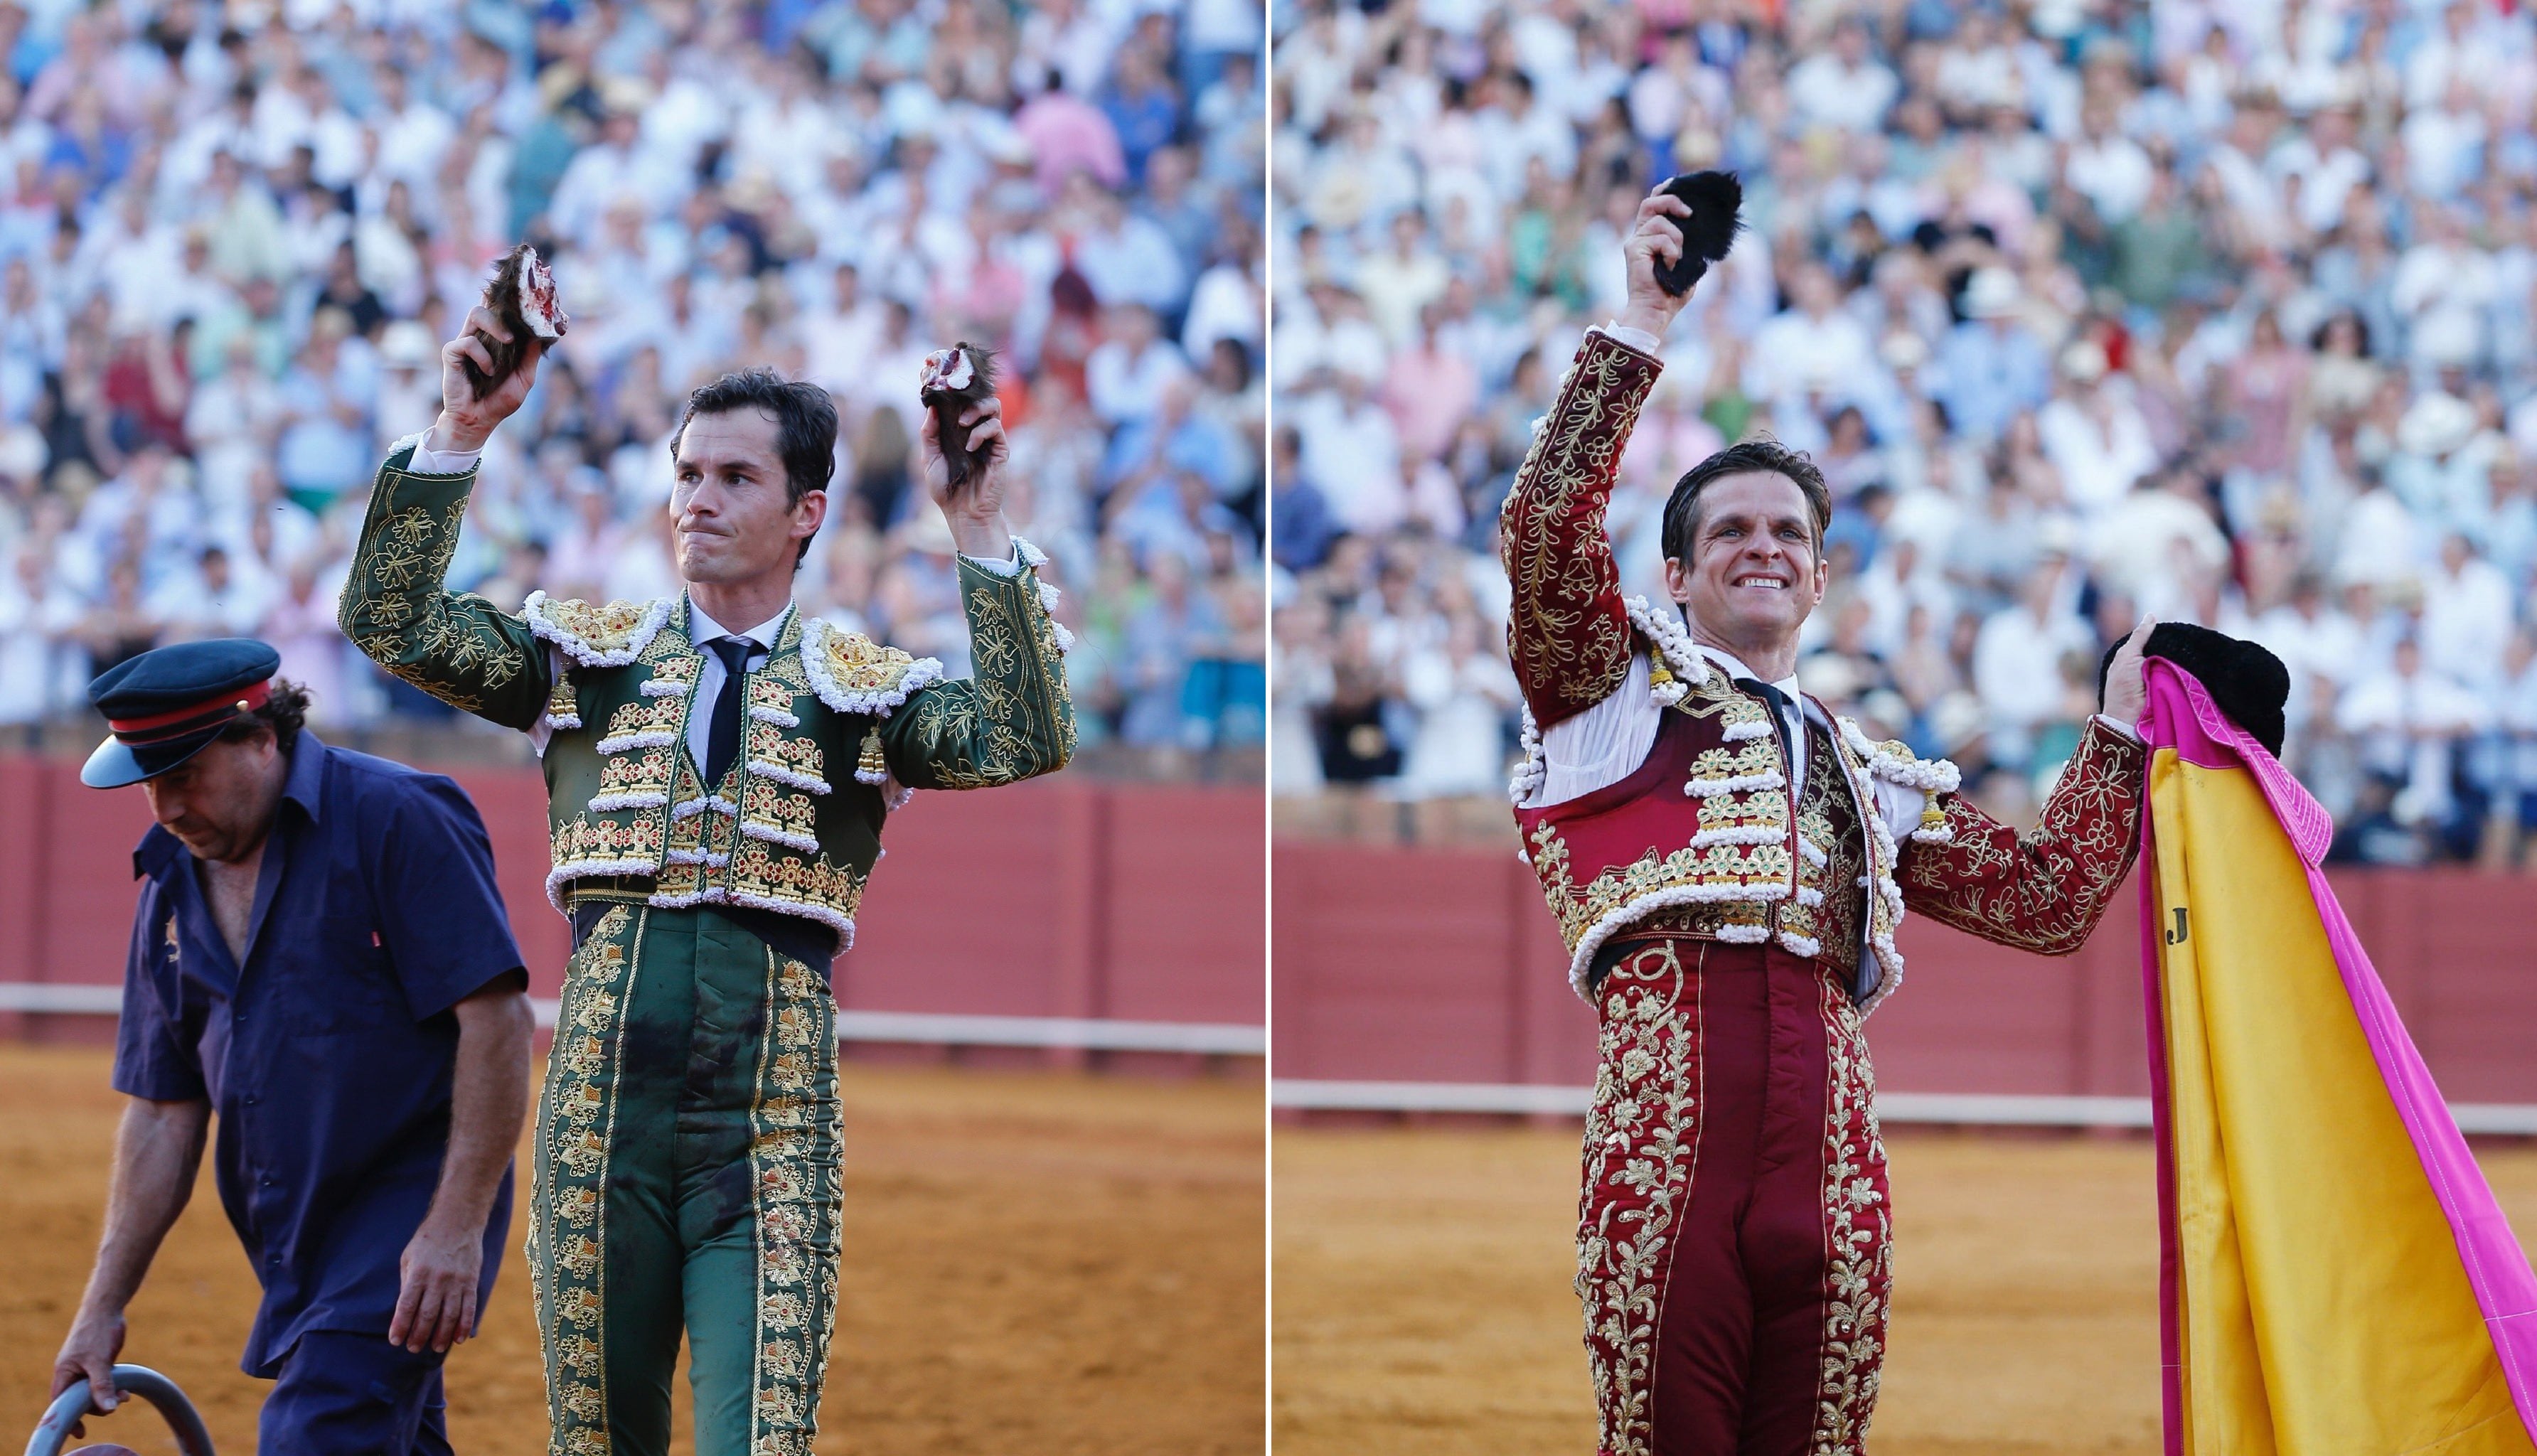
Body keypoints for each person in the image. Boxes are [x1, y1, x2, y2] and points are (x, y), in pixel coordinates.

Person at [336, 306, 1074, 1455]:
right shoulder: (585, 664)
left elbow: (1023, 734)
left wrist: (973, 520)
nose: (699, 498)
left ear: (805, 514)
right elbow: (387, 619)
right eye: (687, 472)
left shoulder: (860, 693)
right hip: (597, 1131)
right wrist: (460, 429)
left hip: (767, 1142)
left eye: (736, 476)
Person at [1501, 186, 2154, 1456]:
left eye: (1788, 532)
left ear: (1819, 569)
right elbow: (1541, 533)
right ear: (1675, 576)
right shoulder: (1607, 690)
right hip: (1667, 1131)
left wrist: (2119, 725)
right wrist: (1639, 321)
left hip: (1834, 1149)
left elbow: (2047, 899)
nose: (1764, 547)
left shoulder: (1869, 772)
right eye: (1728, 531)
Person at [48, 638, 534, 1455]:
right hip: (290, 1234)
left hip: (407, 1210)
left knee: (316, 1434)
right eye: (149, 784)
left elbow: (497, 1023)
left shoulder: (396, 813)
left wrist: (456, 1225)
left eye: (183, 774)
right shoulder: (169, 880)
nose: (165, 806)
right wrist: (101, 1305)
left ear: (261, 737)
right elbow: (165, 1114)